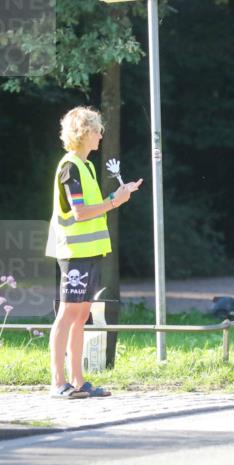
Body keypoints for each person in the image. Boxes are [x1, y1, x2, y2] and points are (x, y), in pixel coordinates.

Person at [45, 106, 142, 399]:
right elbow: (80, 212)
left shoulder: (85, 166)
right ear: (84, 132)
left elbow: (92, 208)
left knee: (82, 314)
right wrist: (114, 201)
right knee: (67, 314)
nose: (101, 135)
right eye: (98, 130)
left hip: (89, 252)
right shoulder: (70, 166)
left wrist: (117, 196)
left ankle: (78, 381)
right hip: (73, 252)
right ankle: (57, 382)